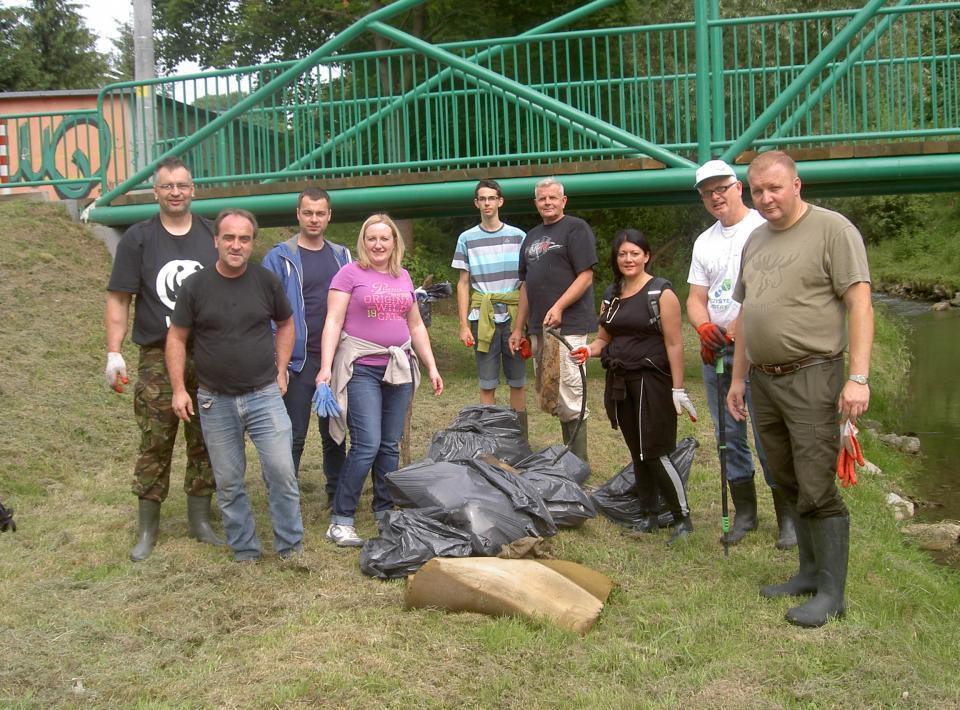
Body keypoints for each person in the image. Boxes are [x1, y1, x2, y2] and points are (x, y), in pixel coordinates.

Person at [726, 151, 873, 628]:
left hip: (814, 373)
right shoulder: (755, 240)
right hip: (764, 380)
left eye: (774, 188)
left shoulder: (834, 230)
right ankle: (808, 573)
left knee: (816, 484)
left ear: (796, 185)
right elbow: (747, 314)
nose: (765, 198)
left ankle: (833, 593)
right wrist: (738, 379)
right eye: (757, 190)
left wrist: (858, 377)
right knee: (787, 478)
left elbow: (860, 303)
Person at [167, 209, 304, 562]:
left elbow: (287, 324)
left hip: (264, 395)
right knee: (229, 483)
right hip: (216, 401)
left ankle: (290, 547)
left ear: (252, 243)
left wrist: (282, 368)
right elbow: (177, 338)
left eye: (244, 238)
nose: (236, 244)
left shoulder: (266, 282)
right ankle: (245, 550)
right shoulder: (194, 287)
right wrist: (179, 389)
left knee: (282, 473)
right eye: (229, 237)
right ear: (216, 240)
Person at [104, 156, 223, 562]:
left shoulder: (212, 235)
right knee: (156, 439)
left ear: (194, 190)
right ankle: (147, 529)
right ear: (156, 192)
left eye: (183, 185)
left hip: (206, 352)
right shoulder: (138, 239)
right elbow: (120, 298)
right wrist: (113, 352)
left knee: (205, 437)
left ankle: (200, 520)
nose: (176, 192)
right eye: (168, 186)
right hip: (157, 353)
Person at [686, 159, 795, 549]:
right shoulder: (704, 242)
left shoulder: (763, 229)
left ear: (738, 188)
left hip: (762, 350)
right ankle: (745, 513)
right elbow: (696, 298)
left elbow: (769, 293)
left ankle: (789, 517)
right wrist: (703, 328)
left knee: (770, 435)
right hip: (717, 354)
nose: (715, 197)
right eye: (707, 192)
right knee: (728, 436)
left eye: (721, 188)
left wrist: (734, 331)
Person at [317, 214, 444, 547]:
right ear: (363, 241)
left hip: (398, 366)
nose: (378, 244)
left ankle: (384, 511)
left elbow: (415, 326)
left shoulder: (402, 276)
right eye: (371, 238)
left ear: (394, 243)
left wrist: (431, 366)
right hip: (361, 367)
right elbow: (332, 322)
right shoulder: (349, 274)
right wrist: (326, 367)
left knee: (390, 444)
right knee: (367, 444)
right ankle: (341, 519)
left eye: (384, 239)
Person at [570, 230, 698, 545]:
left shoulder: (661, 293)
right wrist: (589, 349)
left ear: (646, 256)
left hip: (652, 381)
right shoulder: (612, 293)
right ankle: (649, 513)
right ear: (616, 258)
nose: (629, 259)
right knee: (637, 451)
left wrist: (677, 389)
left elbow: (675, 343)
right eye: (623, 254)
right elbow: (604, 338)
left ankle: (682, 517)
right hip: (620, 382)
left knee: (654, 450)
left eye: (635, 253)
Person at [262, 187, 352, 505]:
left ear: (329, 216)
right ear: (298, 215)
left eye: (320, 213)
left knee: (334, 432)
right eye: (308, 213)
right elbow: (266, 309)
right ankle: (284, 497)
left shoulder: (342, 256)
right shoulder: (280, 256)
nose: (314, 219)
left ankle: (336, 493)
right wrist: (278, 360)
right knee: (293, 433)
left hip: (335, 358)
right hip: (297, 361)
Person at [509, 177, 597, 461]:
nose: (547, 202)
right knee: (554, 393)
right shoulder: (531, 236)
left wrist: (559, 306)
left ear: (563, 200)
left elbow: (586, 276)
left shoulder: (576, 228)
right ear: (536, 203)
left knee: (571, 392)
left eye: (552, 198)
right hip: (539, 326)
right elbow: (526, 285)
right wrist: (517, 327)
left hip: (568, 326)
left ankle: (578, 466)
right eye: (542, 198)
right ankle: (568, 462)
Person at [451, 179, 528, 437]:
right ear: (476, 203)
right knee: (487, 382)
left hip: (514, 316)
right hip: (481, 316)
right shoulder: (467, 239)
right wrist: (463, 325)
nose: (487, 203)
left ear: (500, 201)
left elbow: (526, 282)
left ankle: (519, 438)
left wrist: (523, 323)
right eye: (482, 199)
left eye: (491, 198)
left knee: (517, 381)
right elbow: (463, 283)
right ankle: (491, 439)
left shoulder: (519, 237)